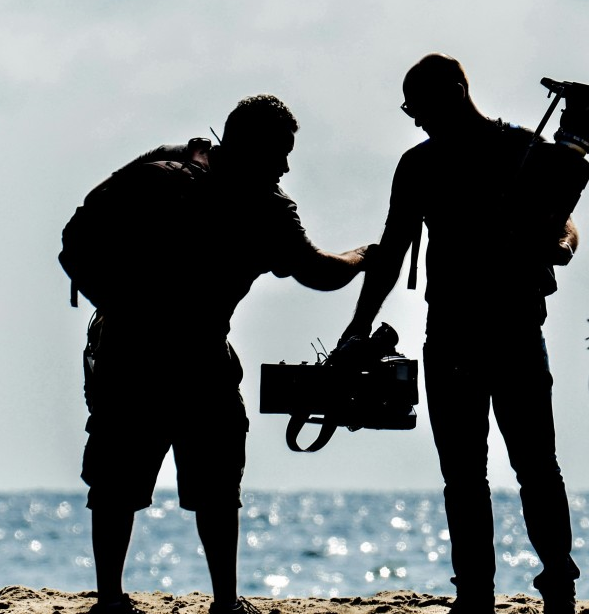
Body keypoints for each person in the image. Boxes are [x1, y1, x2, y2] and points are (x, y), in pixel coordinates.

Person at [61, 95, 369, 614]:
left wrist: (115, 308)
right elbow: (318, 272)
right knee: (216, 487)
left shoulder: (161, 166)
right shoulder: (265, 209)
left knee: (118, 483)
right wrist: (364, 257)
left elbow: (73, 243)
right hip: (198, 363)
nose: (287, 166)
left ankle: (111, 599)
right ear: (253, 148)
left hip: (127, 355)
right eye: (281, 153)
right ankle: (224, 603)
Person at [337, 54, 589, 614]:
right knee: (489, 472)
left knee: (518, 469)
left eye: (419, 108)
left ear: (457, 92)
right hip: (474, 333)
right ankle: (493, 591)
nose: (415, 120)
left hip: (492, 331)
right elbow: (392, 255)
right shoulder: (439, 162)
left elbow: (561, 222)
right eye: (410, 111)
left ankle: (544, 584)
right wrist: (358, 326)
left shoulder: (513, 152)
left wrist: (563, 244)